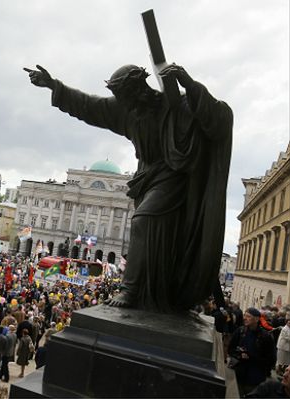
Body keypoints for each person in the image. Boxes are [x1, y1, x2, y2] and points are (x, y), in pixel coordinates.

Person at [24, 62, 233, 312]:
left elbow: (220, 119)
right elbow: (89, 106)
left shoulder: (178, 103)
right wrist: (54, 85)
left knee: (143, 220)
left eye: (126, 97)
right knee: (160, 233)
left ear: (140, 88)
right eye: (120, 99)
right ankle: (158, 289)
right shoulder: (127, 109)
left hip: (177, 177)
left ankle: (131, 289)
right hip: (148, 178)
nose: (123, 104)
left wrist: (190, 84)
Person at [228, 308, 276, 396]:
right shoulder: (240, 331)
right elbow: (230, 349)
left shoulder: (265, 336)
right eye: (244, 316)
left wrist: (252, 357)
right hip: (238, 375)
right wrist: (239, 355)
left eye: (248, 316)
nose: (245, 318)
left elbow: (271, 359)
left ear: (257, 319)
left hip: (255, 378)